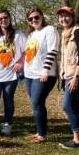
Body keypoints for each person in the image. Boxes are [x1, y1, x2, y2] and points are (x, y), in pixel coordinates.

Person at [0, 9, 26, 136]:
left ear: (9, 18)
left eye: (5, 17)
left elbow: (26, 51)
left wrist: (20, 63)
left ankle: (8, 124)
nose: (3, 20)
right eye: (0, 18)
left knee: (8, 100)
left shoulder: (18, 34)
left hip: (11, 75)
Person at [24, 8, 59, 143]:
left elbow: (53, 50)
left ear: (42, 17)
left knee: (37, 102)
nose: (34, 20)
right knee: (36, 103)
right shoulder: (31, 34)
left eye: (36, 17)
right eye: (31, 19)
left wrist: (45, 69)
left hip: (44, 74)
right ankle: (39, 131)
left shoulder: (49, 29)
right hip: (29, 74)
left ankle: (42, 135)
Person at [57, 6, 79, 149]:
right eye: (61, 16)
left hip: (75, 75)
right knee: (75, 106)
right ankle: (78, 137)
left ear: (72, 17)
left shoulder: (77, 31)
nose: (63, 18)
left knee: (67, 105)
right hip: (68, 75)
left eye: (66, 16)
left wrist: (76, 77)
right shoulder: (64, 33)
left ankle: (77, 140)